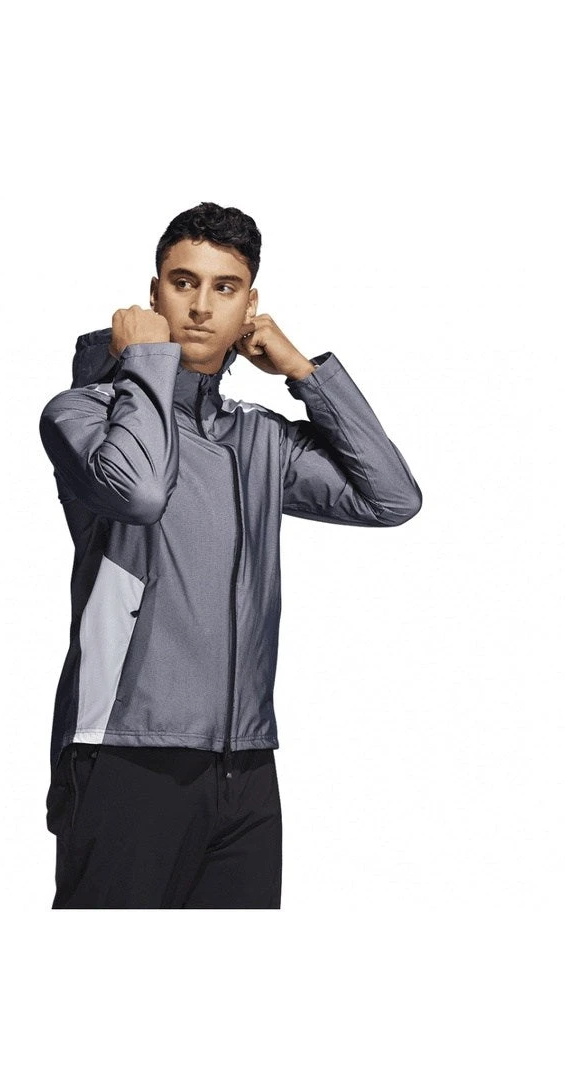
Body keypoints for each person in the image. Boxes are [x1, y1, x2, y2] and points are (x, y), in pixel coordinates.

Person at [38, 201, 422, 908]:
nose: (200, 307)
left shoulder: (258, 438)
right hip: (125, 753)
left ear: (249, 305)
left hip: (243, 766)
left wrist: (305, 373)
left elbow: (391, 498)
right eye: (183, 282)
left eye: (225, 287)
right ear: (152, 295)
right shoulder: (82, 413)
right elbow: (139, 492)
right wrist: (146, 361)